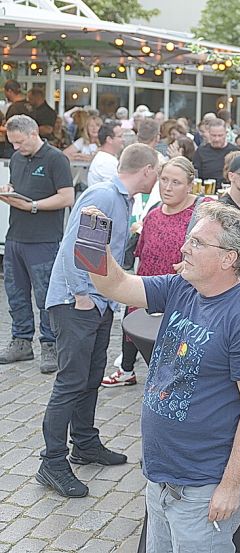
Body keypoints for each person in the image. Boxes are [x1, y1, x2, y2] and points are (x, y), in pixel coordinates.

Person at [87, 201, 240, 550]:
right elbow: (115, 285)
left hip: (203, 490)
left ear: (228, 258)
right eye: (189, 239)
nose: (184, 247)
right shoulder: (181, 287)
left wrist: (231, 485)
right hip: (159, 479)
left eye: (198, 243)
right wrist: (93, 243)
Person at [39, 144, 161, 498]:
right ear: (148, 170)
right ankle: (52, 461)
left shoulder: (121, 199)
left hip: (99, 302)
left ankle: (85, 444)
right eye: (158, 173)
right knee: (70, 381)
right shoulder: (105, 194)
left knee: (90, 377)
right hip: (77, 302)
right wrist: (81, 294)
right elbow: (77, 244)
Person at [103, 157, 211, 388]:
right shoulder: (153, 213)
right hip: (148, 294)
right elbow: (143, 256)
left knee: (177, 359)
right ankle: (133, 373)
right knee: (146, 346)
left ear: (190, 185)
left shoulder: (204, 211)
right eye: (164, 180)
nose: (168, 187)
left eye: (176, 182)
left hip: (183, 297)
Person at [0, 115, 75, 373]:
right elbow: (19, 183)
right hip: (15, 237)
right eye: (12, 143)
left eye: (19, 142)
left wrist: (33, 206)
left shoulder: (56, 159)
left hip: (44, 239)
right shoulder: (18, 158)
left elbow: (67, 197)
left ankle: (49, 343)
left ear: (33, 134)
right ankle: (21, 341)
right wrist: (9, 188)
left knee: (46, 295)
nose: (15, 148)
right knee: (16, 293)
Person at [192, 117, 239, 183]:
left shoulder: (235, 152)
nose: (217, 139)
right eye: (214, 135)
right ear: (209, 133)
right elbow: (195, 176)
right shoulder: (200, 152)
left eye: (220, 135)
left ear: (226, 133)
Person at [86, 121, 125, 187]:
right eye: (120, 136)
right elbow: (119, 190)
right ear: (109, 139)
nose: (123, 139)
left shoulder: (106, 158)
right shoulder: (106, 162)